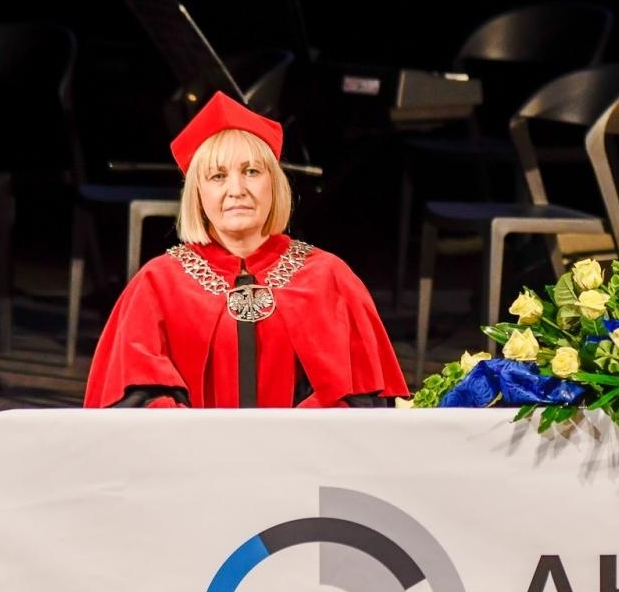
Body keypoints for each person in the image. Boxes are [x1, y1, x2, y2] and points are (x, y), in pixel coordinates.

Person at [84, 91, 408, 408]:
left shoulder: (329, 278)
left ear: (274, 183)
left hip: (299, 458)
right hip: (192, 458)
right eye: (218, 176)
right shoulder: (158, 284)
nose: (236, 190)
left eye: (251, 171)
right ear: (197, 193)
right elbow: (138, 400)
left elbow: (356, 399)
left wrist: (283, 446)